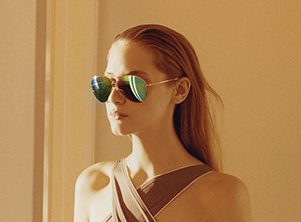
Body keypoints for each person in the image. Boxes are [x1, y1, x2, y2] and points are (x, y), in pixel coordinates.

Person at [74, 24, 251, 222]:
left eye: (132, 84)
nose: (114, 98)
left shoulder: (222, 194)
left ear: (179, 90)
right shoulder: (93, 184)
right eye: (106, 85)